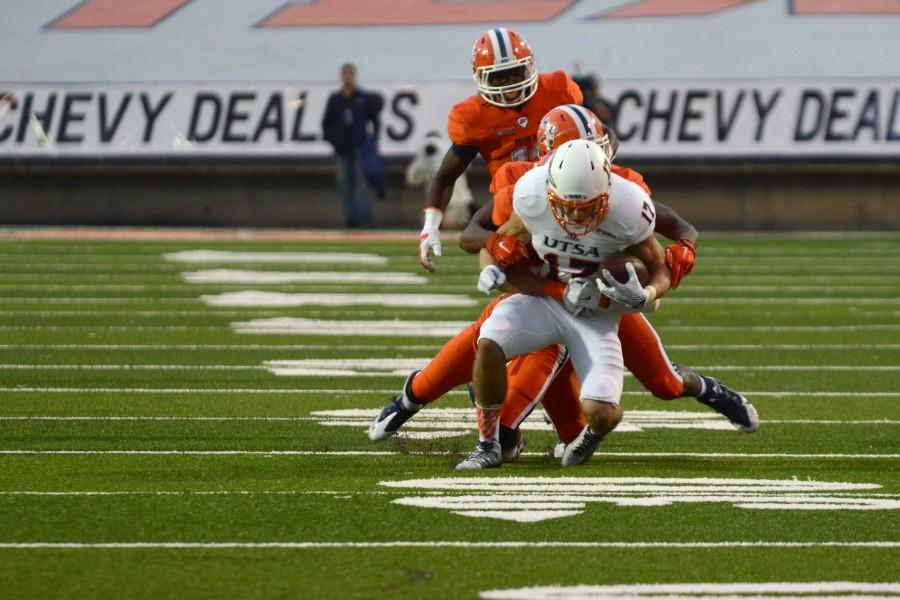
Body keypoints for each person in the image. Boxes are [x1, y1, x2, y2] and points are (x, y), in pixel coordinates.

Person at [370, 105, 758, 465]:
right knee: (485, 344)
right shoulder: (527, 187)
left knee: (664, 383)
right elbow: (477, 235)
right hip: (538, 292)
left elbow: (664, 236)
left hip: (602, 303)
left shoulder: (620, 191)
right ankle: (416, 402)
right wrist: (495, 253)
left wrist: (646, 280)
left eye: (596, 149)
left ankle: (710, 391)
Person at [457, 140, 671, 469]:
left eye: (587, 206)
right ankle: (488, 444)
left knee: (601, 413)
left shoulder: (630, 208)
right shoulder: (532, 194)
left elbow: (660, 268)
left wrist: (648, 295)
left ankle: (592, 435)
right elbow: (498, 241)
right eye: (566, 205)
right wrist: (489, 266)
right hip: (545, 300)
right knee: (489, 342)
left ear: (607, 192)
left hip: (597, 315)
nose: (575, 214)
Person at [417, 27, 583, 271]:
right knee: (493, 253)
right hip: (516, 203)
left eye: (515, 73)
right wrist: (430, 226)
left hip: (570, 196)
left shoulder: (557, 89)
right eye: (499, 77)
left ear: (530, 66)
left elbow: (600, 133)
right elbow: (446, 177)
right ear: (480, 77)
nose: (510, 85)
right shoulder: (473, 116)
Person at [321, 63, 384, 228]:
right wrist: (333, 140)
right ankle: (351, 219)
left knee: (362, 184)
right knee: (345, 184)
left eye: (350, 74)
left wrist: (372, 141)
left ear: (354, 76)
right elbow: (326, 123)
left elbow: (375, 120)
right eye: (345, 74)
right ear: (341, 76)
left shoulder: (362, 98)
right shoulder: (335, 99)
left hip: (360, 147)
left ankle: (364, 219)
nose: (347, 77)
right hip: (342, 148)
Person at [406, 131, 475, 229]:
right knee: (426, 223)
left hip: (457, 203)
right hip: (436, 203)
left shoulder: (451, 154)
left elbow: (467, 166)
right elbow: (412, 180)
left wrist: (446, 156)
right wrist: (421, 160)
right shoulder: (426, 158)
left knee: (448, 222)